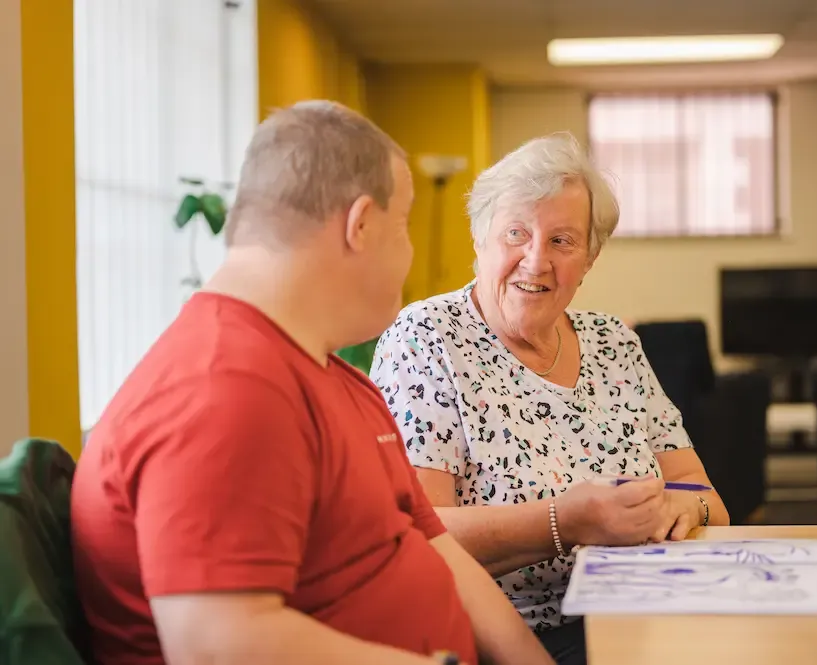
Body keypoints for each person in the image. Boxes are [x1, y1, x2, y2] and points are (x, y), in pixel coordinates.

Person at [70, 101, 555, 665]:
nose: (408, 253)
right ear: (363, 224)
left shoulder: (334, 380)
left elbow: (436, 548)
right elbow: (216, 646)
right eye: (403, 227)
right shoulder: (224, 389)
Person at [369, 133, 730, 665]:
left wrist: (679, 507)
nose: (536, 261)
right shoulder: (427, 337)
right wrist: (566, 521)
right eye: (516, 233)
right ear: (479, 239)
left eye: (562, 241)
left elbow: (710, 501)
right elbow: (417, 534)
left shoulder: (613, 343)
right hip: (504, 637)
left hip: (641, 616)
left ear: (589, 258)